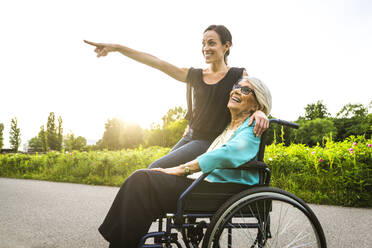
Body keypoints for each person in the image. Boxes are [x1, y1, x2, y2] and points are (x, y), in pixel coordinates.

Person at [98, 76, 272, 248]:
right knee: (142, 180)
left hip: (220, 188)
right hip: (206, 184)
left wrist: (181, 169)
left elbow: (228, 153)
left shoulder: (252, 127)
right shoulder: (229, 125)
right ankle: (123, 242)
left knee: (142, 181)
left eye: (246, 90)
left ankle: (121, 243)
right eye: (236, 86)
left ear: (256, 104)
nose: (236, 90)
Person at [84, 25, 269, 170]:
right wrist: (117, 48)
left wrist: (262, 113)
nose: (206, 48)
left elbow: (254, 97)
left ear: (226, 46)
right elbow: (156, 62)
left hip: (210, 142)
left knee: (155, 169)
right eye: (203, 43)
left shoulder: (238, 74)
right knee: (157, 172)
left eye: (211, 43)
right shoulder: (195, 75)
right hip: (190, 137)